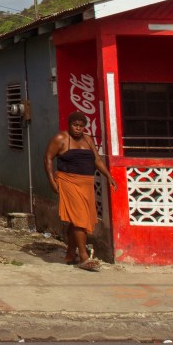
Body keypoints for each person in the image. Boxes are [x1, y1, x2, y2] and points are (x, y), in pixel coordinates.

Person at [43, 111, 117, 271]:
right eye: (75, 125)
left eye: (81, 126)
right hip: (68, 181)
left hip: (86, 183)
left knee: (82, 219)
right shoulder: (60, 139)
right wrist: (51, 180)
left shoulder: (88, 140)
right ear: (69, 125)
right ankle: (83, 257)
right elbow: (48, 158)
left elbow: (97, 159)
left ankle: (70, 253)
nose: (78, 129)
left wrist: (108, 175)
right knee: (80, 219)